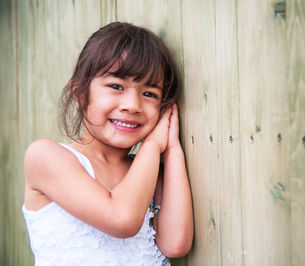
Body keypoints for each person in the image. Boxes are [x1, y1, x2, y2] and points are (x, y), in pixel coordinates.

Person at [22, 22, 193, 265]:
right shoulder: (46, 157)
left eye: (149, 94)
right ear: (80, 94)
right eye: (116, 86)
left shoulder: (149, 171)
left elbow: (176, 243)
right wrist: (153, 145)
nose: (132, 105)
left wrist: (173, 148)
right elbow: (121, 218)